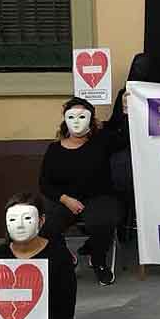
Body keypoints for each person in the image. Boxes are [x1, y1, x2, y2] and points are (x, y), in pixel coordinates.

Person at [38, 96, 127, 286]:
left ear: (91, 120)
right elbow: (44, 183)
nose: (77, 122)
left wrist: (127, 111)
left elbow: (125, 138)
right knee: (47, 227)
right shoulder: (54, 150)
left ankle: (98, 260)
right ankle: (66, 256)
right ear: (65, 120)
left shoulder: (102, 141)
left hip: (99, 196)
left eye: (82, 116)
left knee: (104, 221)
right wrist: (65, 199)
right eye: (72, 117)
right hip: (66, 200)